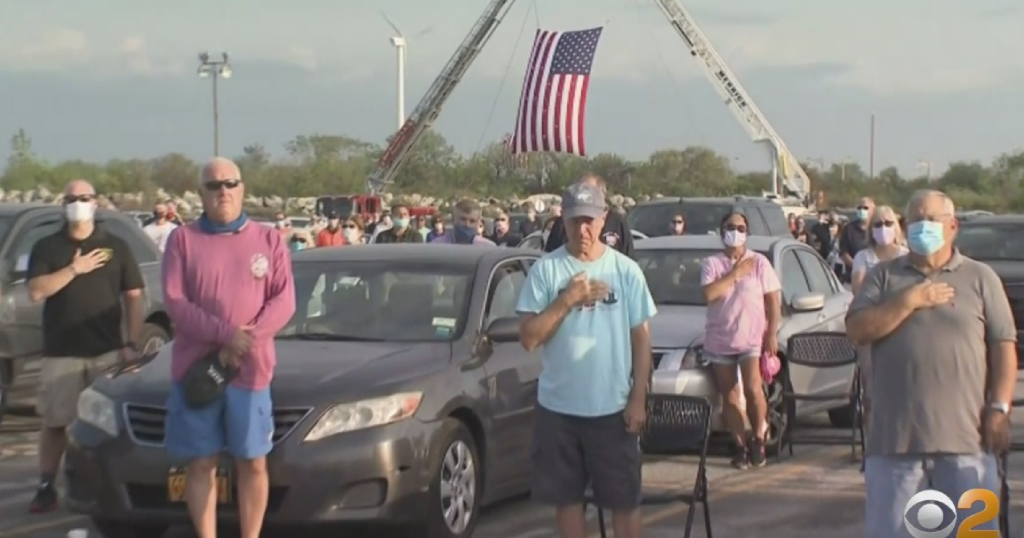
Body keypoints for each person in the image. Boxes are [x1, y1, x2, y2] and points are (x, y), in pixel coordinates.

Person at [847, 189, 1016, 538]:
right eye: (916, 220)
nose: (922, 227)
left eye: (932, 219)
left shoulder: (981, 278)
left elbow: (1003, 347)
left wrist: (999, 409)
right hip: (895, 446)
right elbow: (858, 330)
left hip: (967, 444)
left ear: (952, 226)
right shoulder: (882, 276)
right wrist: (908, 301)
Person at [162, 157, 296, 538]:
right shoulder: (182, 240)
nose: (223, 191)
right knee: (200, 463)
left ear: (242, 189)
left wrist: (246, 340)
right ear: (201, 193)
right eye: (214, 185)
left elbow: (284, 301)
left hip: (251, 374)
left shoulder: (269, 240)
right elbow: (175, 302)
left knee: (252, 462)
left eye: (230, 184)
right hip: (198, 372)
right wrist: (225, 335)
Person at [516, 181, 656, 538]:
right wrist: (566, 300)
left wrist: (638, 398)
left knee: (624, 503)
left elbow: (641, 339)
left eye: (590, 220)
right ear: (562, 220)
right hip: (559, 410)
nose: (583, 229)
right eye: (575, 220)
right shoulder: (546, 270)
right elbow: (529, 338)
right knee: (567, 502)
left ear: (604, 219)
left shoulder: (625, 271)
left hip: (612, 409)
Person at [27, 179, 146, 512]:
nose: (78, 203)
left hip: (106, 352)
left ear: (95, 203)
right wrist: (73, 269)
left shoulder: (116, 247)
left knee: (106, 424)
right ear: (63, 204)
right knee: (55, 423)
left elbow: (133, 296)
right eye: (71, 198)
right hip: (60, 350)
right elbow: (36, 291)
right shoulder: (48, 246)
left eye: (84, 197)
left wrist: (131, 342)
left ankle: (108, 485)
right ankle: (46, 486)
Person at [700, 211, 781, 469]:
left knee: (753, 389)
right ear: (721, 231)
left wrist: (771, 333)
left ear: (747, 232)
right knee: (730, 396)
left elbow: (773, 300)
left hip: (751, 338)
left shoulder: (759, 263)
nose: (735, 232)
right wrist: (735, 274)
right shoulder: (712, 264)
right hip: (721, 339)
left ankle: (758, 437)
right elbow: (710, 294)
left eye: (740, 228)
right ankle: (740, 445)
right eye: (730, 227)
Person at [545, 174, 633, 257]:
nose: (581, 230)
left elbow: (628, 256)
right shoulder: (562, 223)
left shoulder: (617, 223)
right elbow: (551, 256)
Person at [839, 197, 875, 279]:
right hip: (853, 277)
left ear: (873, 210)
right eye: (859, 208)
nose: (862, 210)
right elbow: (843, 252)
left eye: (865, 208)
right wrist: (857, 267)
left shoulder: (877, 228)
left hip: (874, 277)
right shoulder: (849, 228)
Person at [430, 199, 495, 245]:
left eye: (472, 221)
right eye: (463, 219)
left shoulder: (488, 248)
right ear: (453, 220)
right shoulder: (437, 245)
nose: (467, 225)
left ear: (478, 223)